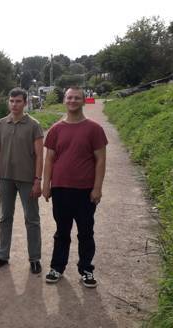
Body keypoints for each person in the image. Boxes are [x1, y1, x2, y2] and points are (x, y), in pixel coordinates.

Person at [42, 86, 107, 288]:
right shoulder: (55, 130)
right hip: (61, 189)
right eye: (69, 97)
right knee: (62, 231)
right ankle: (57, 267)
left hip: (85, 190)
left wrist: (98, 188)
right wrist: (46, 184)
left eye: (77, 98)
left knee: (86, 232)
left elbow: (101, 160)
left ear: (83, 100)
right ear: (64, 100)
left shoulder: (94, 129)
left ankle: (86, 269)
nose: (72, 101)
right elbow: (50, 159)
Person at [0, 88, 44, 274]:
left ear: (25, 103)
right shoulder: (1, 124)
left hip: (27, 179)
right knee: (5, 217)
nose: (14, 104)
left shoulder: (34, 125)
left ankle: (35, 258)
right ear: (8, 102)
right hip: (5, 177)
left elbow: (39, 155)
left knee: (32, 219)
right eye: (12, 101)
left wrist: (38, 180)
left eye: (18, 101)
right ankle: (2, 255)